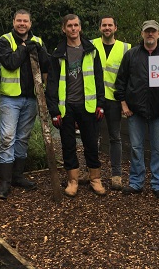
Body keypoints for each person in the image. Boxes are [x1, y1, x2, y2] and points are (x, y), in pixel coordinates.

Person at [114, 20, 159, 199]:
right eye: (147, 31)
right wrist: (124, 104)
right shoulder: (131, 55)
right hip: (135, 111)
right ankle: (136, 182)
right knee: (136, 147)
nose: (150, 34)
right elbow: (121, 82)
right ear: (142, 33)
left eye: (153, 31)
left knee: (158, 149)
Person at [46, 14, 106, 197]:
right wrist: (54, 110)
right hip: (67, 107)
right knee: (68, 144)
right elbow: (52, 84)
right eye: (69, 26)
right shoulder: (58, 53)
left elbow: (98, 79)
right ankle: (73, 180)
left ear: (80, 28)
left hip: (87, 104)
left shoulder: (91, 50)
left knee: (91, 143)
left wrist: (101, 104)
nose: (73, 29)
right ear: (64, 29)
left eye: (76, 25)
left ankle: (95, 178)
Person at [0, 9, 50, 199]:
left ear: (30, 23)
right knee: (7, 138)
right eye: (19, 20)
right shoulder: (4, 41)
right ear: (13, 22)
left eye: (25, 21)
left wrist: (38, 48)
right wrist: (25, 47)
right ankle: (5, 182)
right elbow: (10, 62)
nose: (22, 24)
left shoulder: (39, 41)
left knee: (22, 138)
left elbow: (47, 63)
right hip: (11, 97)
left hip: (31, 97)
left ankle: (18, 176)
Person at [91, 16, 130, 191]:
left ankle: (116, 175)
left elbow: (128, 75)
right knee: (92, 137)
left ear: (115, 27)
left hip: (115, 100)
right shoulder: (90, 45)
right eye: (104, 25)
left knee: (115, 137)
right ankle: (91, 171)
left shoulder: (125, 48)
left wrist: (125, 102)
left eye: (110, 25)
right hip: (94, 99)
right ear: (100, 28)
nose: (107, 28)